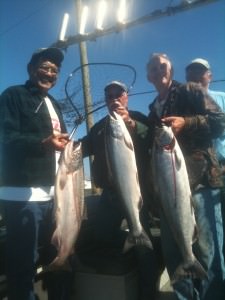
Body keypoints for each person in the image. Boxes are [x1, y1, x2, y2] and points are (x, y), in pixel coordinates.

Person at [146, 53, 225, 300]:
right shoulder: (152, 110)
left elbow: (219, 121)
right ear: (149, 76)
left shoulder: (191, 90)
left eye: (163, 66)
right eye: (154, 68)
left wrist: (186, 122)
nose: (159, 71)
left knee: (208, 253)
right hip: (169, 192)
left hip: (202, 182)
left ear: (171, 70)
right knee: (174, 254)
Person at [79, 81, 162, 300]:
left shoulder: (140, 118)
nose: (114, 98)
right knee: (99, 238)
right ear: (106, 100)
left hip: (138, 193)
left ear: (127, 97)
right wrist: (67, 146)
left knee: (146, 250)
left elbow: (153, 137)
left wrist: (131, 124)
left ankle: (147, 294)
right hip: (109, 195)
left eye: (119, 94)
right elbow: (82, 147)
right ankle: (111, 284)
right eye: (109, 95)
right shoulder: (99, 127)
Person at [0, 47, 71, 300]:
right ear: (31, 70)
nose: (49, 73)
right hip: (22, 196)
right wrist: (43, 142)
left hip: (55, 196)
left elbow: (56, 143)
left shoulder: (54, 104)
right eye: (44, 67)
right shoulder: (12, 95)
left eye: (54, 70)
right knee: (23, 266)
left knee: (58, 259)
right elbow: (7, 138)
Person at [186, 56, 225, 267]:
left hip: (221, 169)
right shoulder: (185, 104)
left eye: (200, 71)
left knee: (216, 234)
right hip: (203, 175)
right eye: (190, 72)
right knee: (206, 236)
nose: (195, 76)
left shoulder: (221, 98)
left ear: (210, 76)